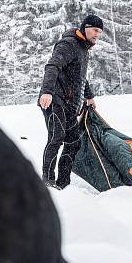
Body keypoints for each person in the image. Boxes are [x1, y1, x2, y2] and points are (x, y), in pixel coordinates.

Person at [38, 14, 103, 189]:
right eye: (95, 30)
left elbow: (80, 76)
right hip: (54, 100)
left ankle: (63, 183)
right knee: (56, 137)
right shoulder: (68, 44)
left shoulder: (83, 48)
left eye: (100, 32)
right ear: (85, 27)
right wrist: (47, 92)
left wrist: (89, 96)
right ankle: (48, 182)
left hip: (69, 105)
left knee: (74, 142)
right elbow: (53, 66)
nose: (98, 34)